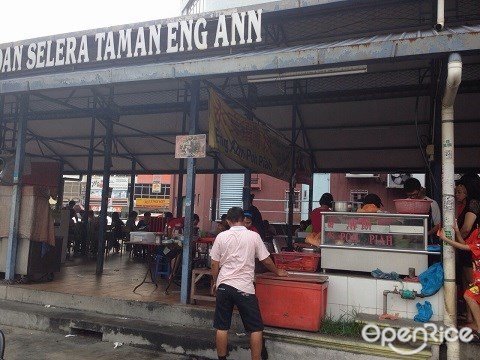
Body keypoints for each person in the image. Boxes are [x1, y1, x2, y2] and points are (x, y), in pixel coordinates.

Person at [210, 207, 288, 360]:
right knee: (256, 329)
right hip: (245, 288)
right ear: (243, 219)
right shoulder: (253, 236)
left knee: (221, 327)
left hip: (224, 285)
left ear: (228, 221)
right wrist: (277, 271)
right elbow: (265, 259)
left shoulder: (221, 237)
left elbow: (214, 263)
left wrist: (215, 281)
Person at [438, 223, 480, 339]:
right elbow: (465, 244)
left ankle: (478, 325)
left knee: (469, 295)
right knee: (470, 295)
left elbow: (464, 247)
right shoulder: (476, 232)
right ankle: (477, 324)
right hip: (477, 275)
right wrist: (456, 231)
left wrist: (445, 239)